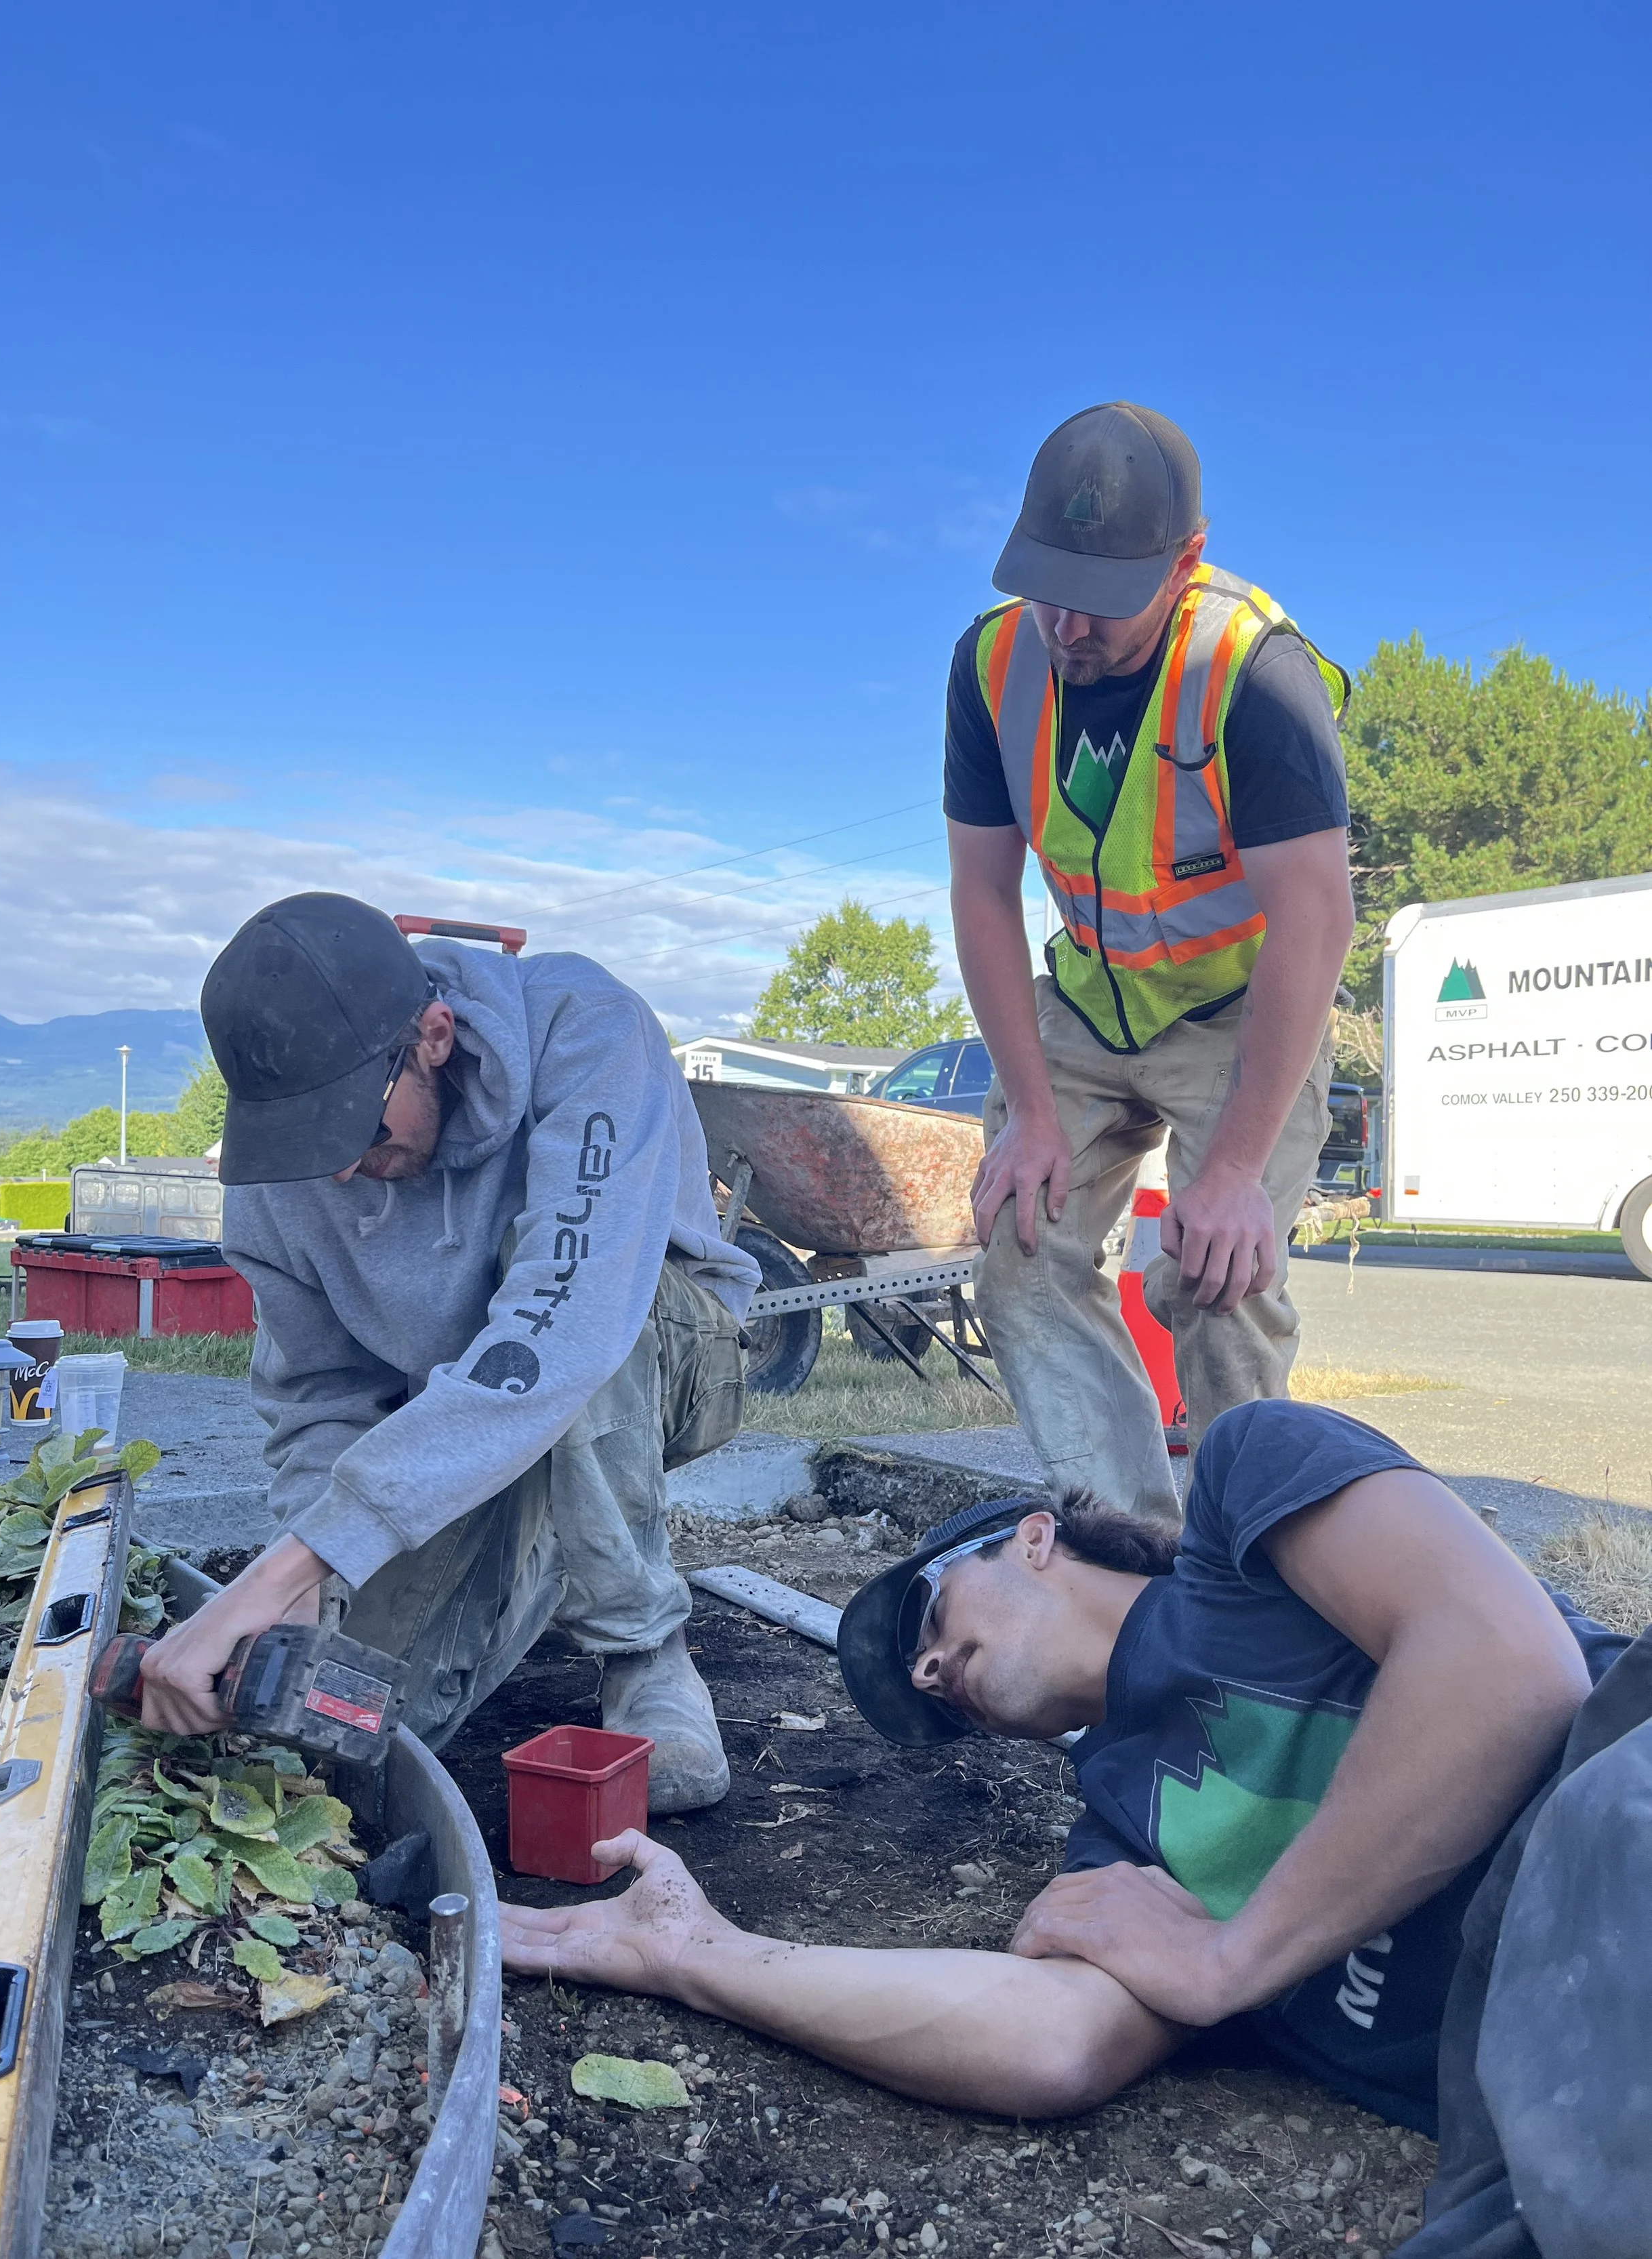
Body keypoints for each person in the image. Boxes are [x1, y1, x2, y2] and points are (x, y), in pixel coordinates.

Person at [499, 1401, 1651, 2256]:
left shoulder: (1253, 1499)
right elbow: (1051, 2041)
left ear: (1036, 1538)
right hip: (1545, 2101)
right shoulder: (1116, 1847)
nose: (931, 1664)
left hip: (1614, 1816)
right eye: (925, 1680)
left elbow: (1512, 1668)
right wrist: (693, 1954)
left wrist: (1231, 1958)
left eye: (934, 1617)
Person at [135, 892, 761, 1812]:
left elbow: (571, 1326)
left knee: (555, 1311)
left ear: (433, 1035)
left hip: (656, 1351)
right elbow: (320, 1397)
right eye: (308, 1139)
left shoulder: (587, 1032)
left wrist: (286, 1567)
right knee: (348, 1745)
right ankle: (542, 1536)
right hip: (453, 1408)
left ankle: (644, 1651)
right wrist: (320, 1593)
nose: (338, 1169)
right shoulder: (284, 1179)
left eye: (353, 1128)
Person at [945, 401, 1357, 1522]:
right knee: (1023, 1250)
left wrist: (1228, 1173)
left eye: (1105, 596)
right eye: (1047, 586)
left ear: (1186, 561)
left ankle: (1240, 1566)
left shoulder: (1252, 670)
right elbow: (983, 892)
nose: (1068, 626)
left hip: (1236, 1014)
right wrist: (1030, 1110)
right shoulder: (991, 666)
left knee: (1218, 1280)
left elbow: (1316, 921)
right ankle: (1123, 1541)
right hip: (1083, 1004)